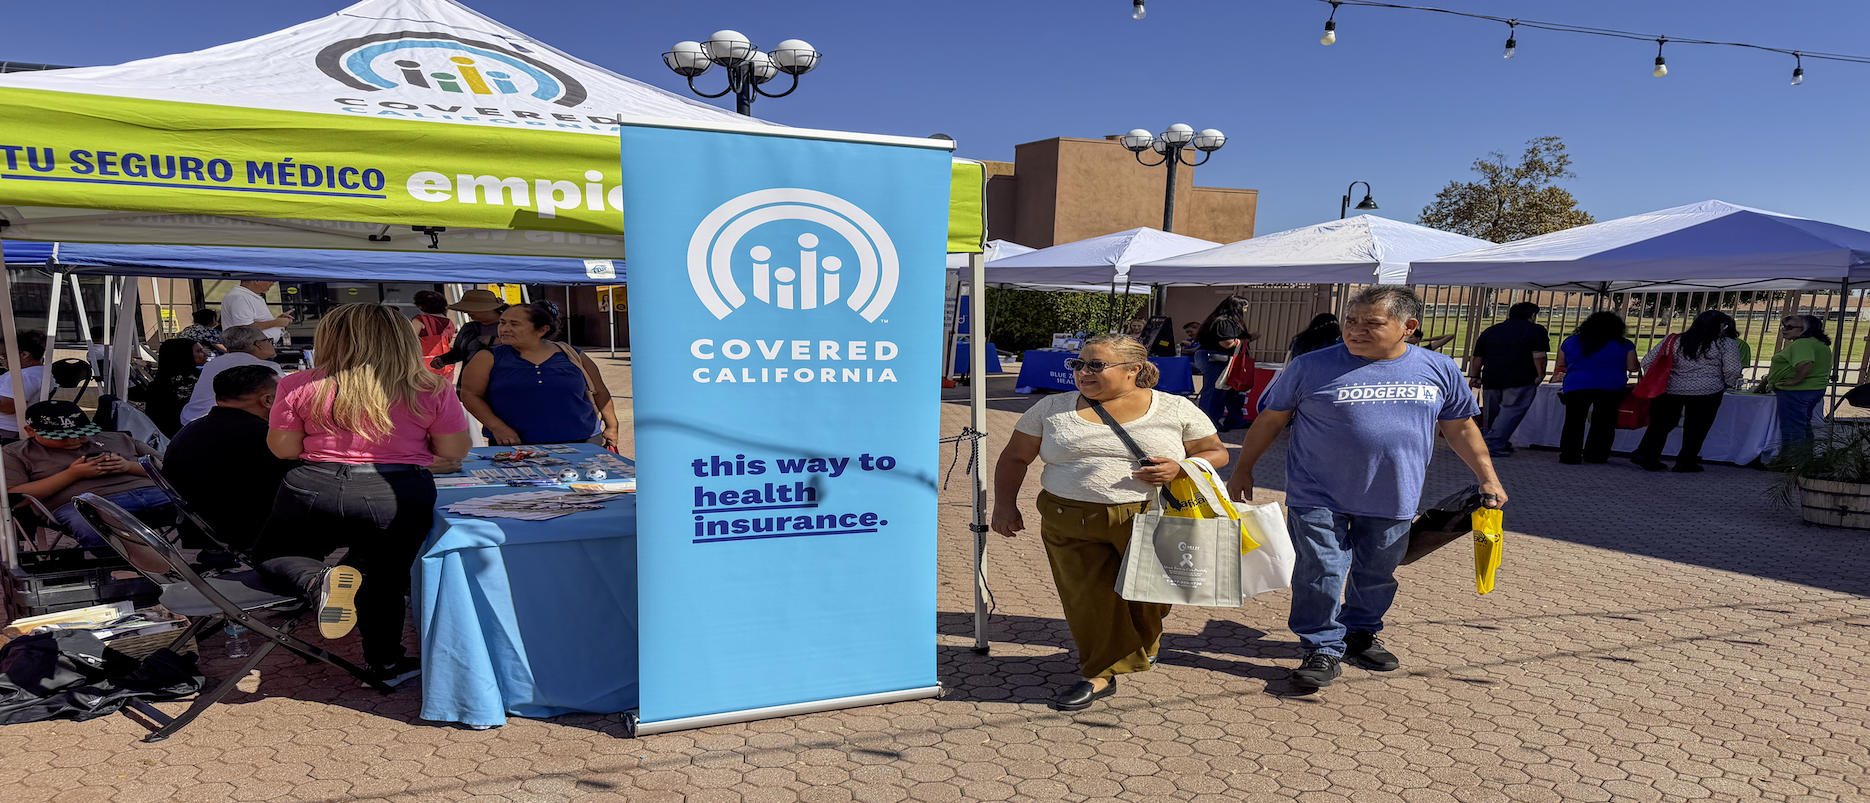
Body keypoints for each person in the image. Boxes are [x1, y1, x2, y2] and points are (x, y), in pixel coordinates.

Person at [1225, 286, 1505, 692]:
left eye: (1371, 323)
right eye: (1350, 321)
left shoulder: (1439, 369)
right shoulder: (1310, 366)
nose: (1355, 331)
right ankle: (1321, 645)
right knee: (1320, 571)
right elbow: (1270, 420)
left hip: (1394, 495)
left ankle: (1359, 634)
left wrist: (1488, 477)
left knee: (1377, 573)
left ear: (1408, 327)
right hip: (1316, 493)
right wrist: (1243, 470)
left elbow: (1460, 427)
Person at [991, 334, 1227, 711]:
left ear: (1134, 369)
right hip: (1068, 519)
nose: (1083, 372)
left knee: (1150, 597)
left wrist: (1179, 467)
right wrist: (1005, 506)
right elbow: (1014, 457)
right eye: (1078, 364)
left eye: (1095, 365)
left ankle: (1142, 644)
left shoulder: (1174, 408)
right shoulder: (1052, 407)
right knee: (1090, 599)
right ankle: (1100, 673)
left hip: (1150, 517)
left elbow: (1215, 453)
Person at [252, 303, 471, 686]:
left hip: (313, 486)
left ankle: (317, 581)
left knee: (273, 554)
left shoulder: (298, 383)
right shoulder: (432, 386)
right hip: (394, 490)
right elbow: (453, 451)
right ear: (403, 339)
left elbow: (284, 450)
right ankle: (385, 664)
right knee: (382, 578)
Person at [3, 400, 173, 549]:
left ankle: (199, 563)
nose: (74, 440)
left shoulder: (119, 438)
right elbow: (14, 498)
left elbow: (175, 468)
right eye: (62, 436)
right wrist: (72, 475)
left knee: (196, 502)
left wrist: (130, 467)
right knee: (89, 523)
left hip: (155, 494)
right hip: (87, 504)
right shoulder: (17, 453)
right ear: (31, 431)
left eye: (81, 433)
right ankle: (124, 571)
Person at [163, 365, 296, 555]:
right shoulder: (265, 437)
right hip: (249, 532)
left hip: (199, 529)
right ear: (268, 400)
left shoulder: (190, 431)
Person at [460, 302, 619, 448]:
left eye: (514, 324)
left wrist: (612, 427)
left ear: (541, 330)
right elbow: (470, 394)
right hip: (514, 443)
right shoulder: (488, 357)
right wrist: (497, 427)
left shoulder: (573, 355)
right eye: (502, 322)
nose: (504, 328)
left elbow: (600, 391)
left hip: (582, 440)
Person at [1630, 311, 1744, 473]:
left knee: (1661, 423)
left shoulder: (1674, 340)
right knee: (1697, 427)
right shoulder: (1725, 344)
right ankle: (1686, 461)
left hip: (1670, 389)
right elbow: (1732, 369)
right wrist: (1727, 383)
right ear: (1720, 325)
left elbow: (1648, 361)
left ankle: (1646, 453)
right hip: (1708, 390)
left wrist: (1661, 378)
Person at [1551, 312, 1639, 465]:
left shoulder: (1570, 342)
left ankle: (1570, 456)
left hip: (1576, 384)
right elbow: (1633, 367)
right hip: (1610, 385)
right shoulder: (1624, 344)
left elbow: (1561, 364)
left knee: (1574, 421)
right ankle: (1596, 456)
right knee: (1604, 422)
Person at [1469, 302, 1550, 458]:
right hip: (1521, 377)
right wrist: (1540, 374)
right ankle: (1493, 444)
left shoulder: (1491, 331)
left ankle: (1493, 440)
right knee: (1510, 412)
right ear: (1532, 316)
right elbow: (1538, 356)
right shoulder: (1536, 331)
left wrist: (1475, 375)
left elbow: (1478, 357)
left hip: (1491, 377)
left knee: (1491, 413)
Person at [179, 325, 281, 426]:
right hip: (233, 425)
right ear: (259, 344)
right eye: (268, 340)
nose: (271, 344)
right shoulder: (267, 368)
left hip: (192, 420)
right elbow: (289, 395)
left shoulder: (212, 364)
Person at [1766, 314, 1833, 450]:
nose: (1784, 330)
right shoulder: (1818, 343)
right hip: (1814, 389)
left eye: (1789, 327)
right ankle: (1804, 458)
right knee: (1803, 425)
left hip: (1797, 392)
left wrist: (1795, 380)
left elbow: (1805, 363)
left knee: (1793, 428)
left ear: (1805, 328)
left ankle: (1792, 461)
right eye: (1783, 326)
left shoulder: (1802, 343)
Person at [1194, 296, 1254, 431]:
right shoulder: (1223, 322)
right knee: (1215, 391)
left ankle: (1234, 420)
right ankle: (1208, 423)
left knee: (1232, 391)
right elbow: (1226, 343)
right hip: (1216, 359)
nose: (1245, 311)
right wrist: (1243, 341)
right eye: (1244, 308)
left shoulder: (1223, 321)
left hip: (1222, 359)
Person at [430, 289, 506, 378]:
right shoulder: (469, 328)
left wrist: (500, 342)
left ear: (486, 309)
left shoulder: (511, 327)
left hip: (501, 379)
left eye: (470, 309)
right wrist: (443, 360)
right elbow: (458, 352)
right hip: (470, 380)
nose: (466, 312)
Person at [144, 338, 209, 437]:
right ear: (184, 355)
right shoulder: (195, 381)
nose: (205, 354)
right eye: (199, 351)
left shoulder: (158, 384)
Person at [0, 331, 48, 443]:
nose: (3, 361)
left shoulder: (24, 376)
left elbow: (8, 407)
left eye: (4, 356)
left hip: (7, 430)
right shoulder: (42, 372)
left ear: (24, 355)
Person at [218, 279, 294, 342]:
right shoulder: (241, 298)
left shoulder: (246, 296)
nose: (272, 284)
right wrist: (275, 322)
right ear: (256, 280)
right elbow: (245, 329)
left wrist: (277, 321)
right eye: (269, 281)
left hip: (257, 349)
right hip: (251, 351)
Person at [411, 290, 458, 380]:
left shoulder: (420, 320)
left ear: (421, 306)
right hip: (445, 363)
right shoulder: (449, 322)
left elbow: (410, 340)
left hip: (423, 365)